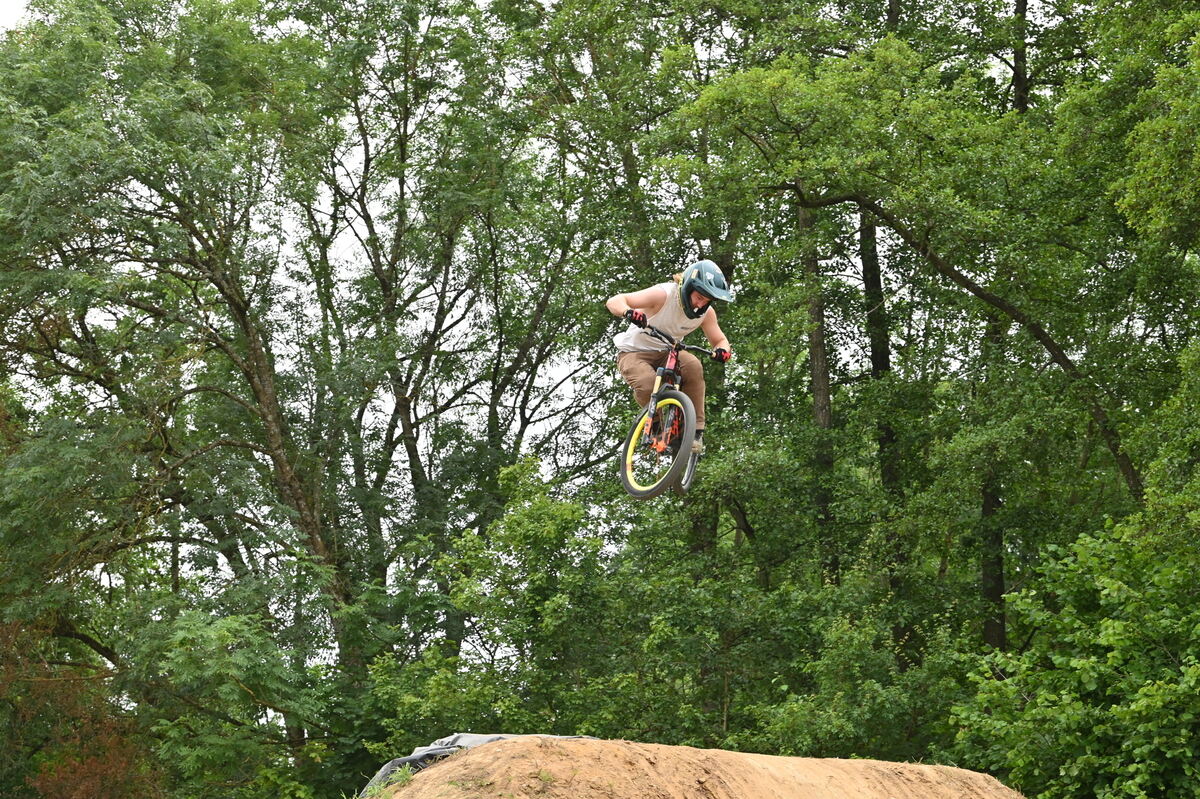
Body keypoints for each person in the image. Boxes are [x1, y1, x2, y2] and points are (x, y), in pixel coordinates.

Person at [606, 259, 733, 454]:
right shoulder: (663, 295)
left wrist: (723, 351)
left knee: (693, 366)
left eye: (707, 300)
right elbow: (615, 301)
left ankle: (695, 432)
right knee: (648, 384)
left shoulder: (705, 314)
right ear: (688, 287)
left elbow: (720, 340)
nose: (700, 304)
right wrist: (627, 312)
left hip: (668, 351)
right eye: (699, 297)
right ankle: (655, 424)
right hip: (634, 352)